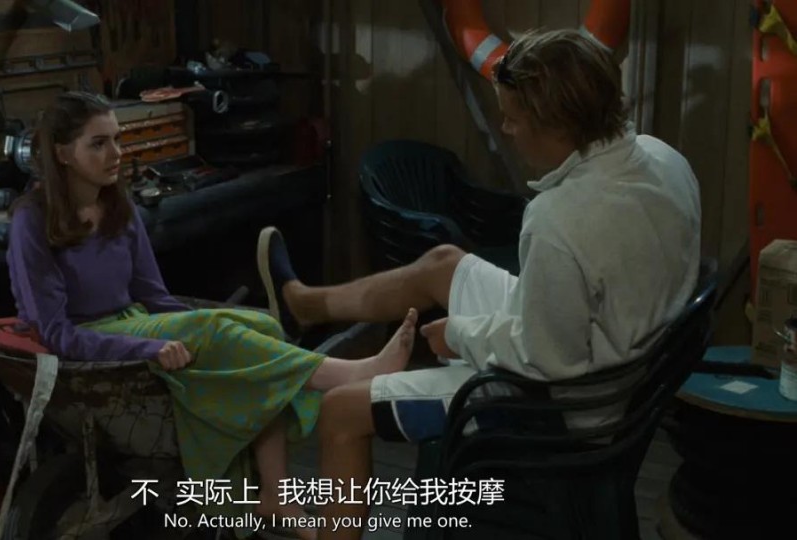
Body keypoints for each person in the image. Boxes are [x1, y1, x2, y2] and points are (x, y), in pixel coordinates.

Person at [256, 29, 702, 540]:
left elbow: (550, 359)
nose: (506, 129)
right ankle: (305, 305)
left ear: (556, 123)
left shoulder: (560, 218)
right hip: (613, 356)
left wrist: (460, 334)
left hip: (562, 407)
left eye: (514, 117)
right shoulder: (663, 159)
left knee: (340, 412)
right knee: (444, 264)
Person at [6, 91, 422, 540]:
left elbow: (154, 297)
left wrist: (202, 326)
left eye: (117, 140)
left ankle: (276, 493)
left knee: (263, 325)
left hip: (131, 317)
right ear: (62, 153)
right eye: (98, 143)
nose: (116, 154)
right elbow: (55, 332)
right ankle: (347, 373)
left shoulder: (117, 206)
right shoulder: (33, 220)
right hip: (88, 338)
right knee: (213, 328)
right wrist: (151, 345)